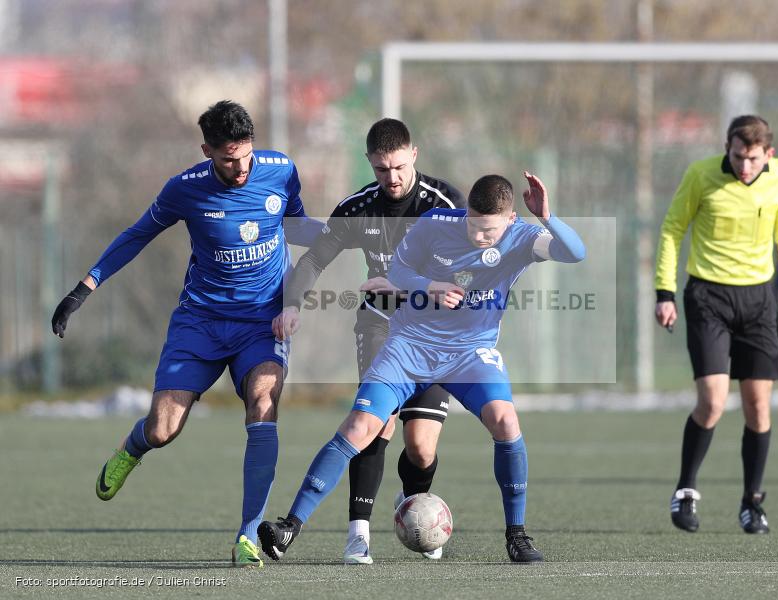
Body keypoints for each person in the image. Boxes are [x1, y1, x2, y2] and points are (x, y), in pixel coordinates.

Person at [259, 172, 585, 563]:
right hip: (408, 348)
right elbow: (397, 272)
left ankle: (517, 535)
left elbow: (575, 252)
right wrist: (430, 287)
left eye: (490, 230)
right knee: (361, 426)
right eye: (474, 226)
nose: (480, 237)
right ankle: (289, 526)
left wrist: (547, 216)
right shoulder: (436, 225)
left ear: (511, 219)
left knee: (505, 421)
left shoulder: (522, 237)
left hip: (469, 354)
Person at [50, 100, 322, 567]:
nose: (239, 168)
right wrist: (84, 287)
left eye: (244, 156)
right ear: (206, 151)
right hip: (199, 321)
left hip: (262, 320)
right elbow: (137, 235)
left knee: (263, 401)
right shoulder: (185, 189)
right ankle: (131, 449)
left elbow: (294, 226)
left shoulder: (280, 171)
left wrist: (345, 235)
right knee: (163, 429)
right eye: (226, 159)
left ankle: (248, 533)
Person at [271, 118, 463, 564]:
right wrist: (293, 303)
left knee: (421, 448)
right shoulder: (358, 208)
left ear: (414, 154)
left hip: (436, 336)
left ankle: (411, 505)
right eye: (381, 169)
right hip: (380, 326)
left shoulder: (446, 203)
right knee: (376, 421)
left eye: (398, 166)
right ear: (370, 164)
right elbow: (314, 260)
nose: (391, 178)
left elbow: (467, 270)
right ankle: (358, 533)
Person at [654, 115, 778, 535]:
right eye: (738, 156)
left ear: (769, 155)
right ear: (726, 148)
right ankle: (686, 489)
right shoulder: (701, 174)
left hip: (759, 301)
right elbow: (673, 229)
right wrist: (664, 292)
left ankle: (752, 502)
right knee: (712, 400)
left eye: (753, 159)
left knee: (758, 406)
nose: (745, 166)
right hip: (708, 296)